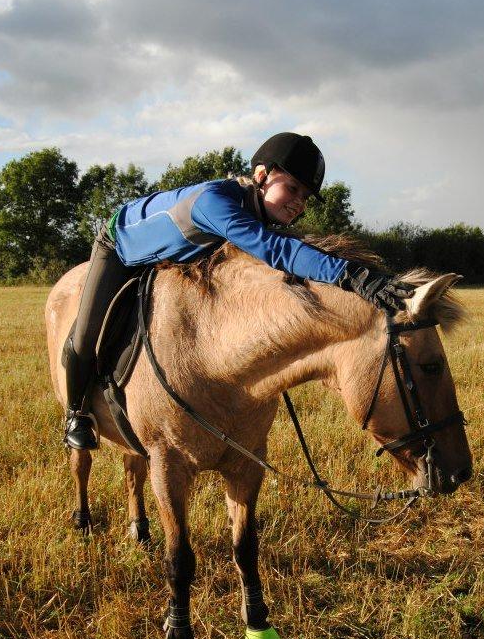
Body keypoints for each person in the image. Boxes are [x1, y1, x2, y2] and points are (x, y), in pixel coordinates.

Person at [64, 132, 416, 450]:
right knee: (84, 334)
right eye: (293, 188)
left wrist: (364, 275)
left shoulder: (258, 212)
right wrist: (351, 275)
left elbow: (290, 254)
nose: (299, 203)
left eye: (306, 197)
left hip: (171, 257)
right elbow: (277, 250)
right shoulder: (214, 203)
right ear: (261, 176)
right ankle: (77, 413)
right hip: (121, 247)